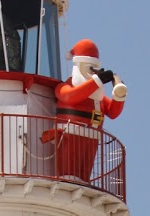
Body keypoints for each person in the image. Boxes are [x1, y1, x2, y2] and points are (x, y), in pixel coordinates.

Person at [47, 39, 128, 183]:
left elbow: (113, 112)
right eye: (89, 67)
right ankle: (68, 177)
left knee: (84, 171)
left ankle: (83, 181)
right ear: (78, 65)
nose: (92, 71)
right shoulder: (64, 86)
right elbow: (70, 97)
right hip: (69, 135)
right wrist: (96, 81)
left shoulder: (96, 96)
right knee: (69, 172)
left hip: (92, 137)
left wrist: (119, 94)